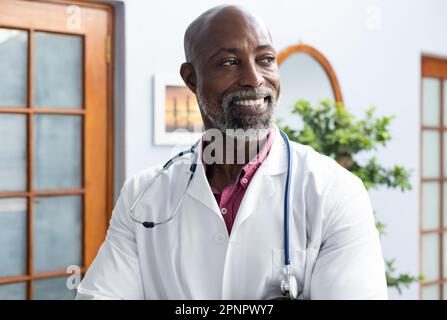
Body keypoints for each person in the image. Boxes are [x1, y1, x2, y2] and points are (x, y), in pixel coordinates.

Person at [76, 4, 388, 300]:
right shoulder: (143, 195)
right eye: (229, 62)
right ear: (191, 78)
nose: (254, 79)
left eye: (265, 59)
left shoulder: (335, 191)